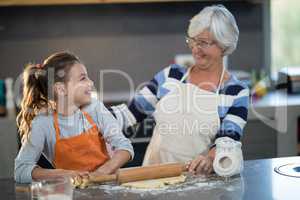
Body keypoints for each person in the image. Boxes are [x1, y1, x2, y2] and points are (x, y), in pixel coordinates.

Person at [111, 5, 249, 175]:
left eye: (203, 42)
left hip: (196, 181)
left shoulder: (236, 91)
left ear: (224, 45)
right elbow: (131, 113)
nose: (195, 49)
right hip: (152, 174)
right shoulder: (171, 75)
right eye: (193, 40)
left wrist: (210, 159)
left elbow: (227, 140)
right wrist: (93, 117)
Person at [15, 52, 134, 183]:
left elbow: (125, 147)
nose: (91, 82)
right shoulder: (43, 123)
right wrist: (62, 174)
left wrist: (99, 174)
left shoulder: (95, 108)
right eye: (83, 78)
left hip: (108, 188)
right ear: (61, 89)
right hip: (71, 193)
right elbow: (21, 170)